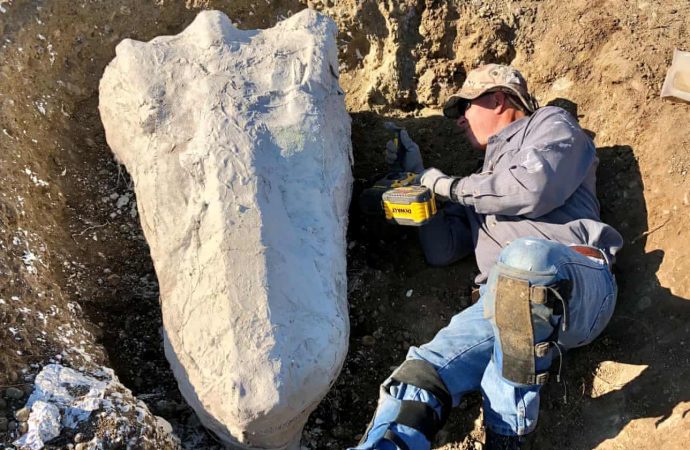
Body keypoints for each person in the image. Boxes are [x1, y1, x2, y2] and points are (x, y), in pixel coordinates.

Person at [350, 64, 623, 450]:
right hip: (500, 305)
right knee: (420, 372)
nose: (459, 121)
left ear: (497, 99)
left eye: (464, 108)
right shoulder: (482, 180)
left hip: (579, 287)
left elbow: (533, 188)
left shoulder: (552, 127)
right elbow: (443, 251)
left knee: (524, 259)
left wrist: (447, 185)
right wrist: (417, 187)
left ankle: (509, 436)